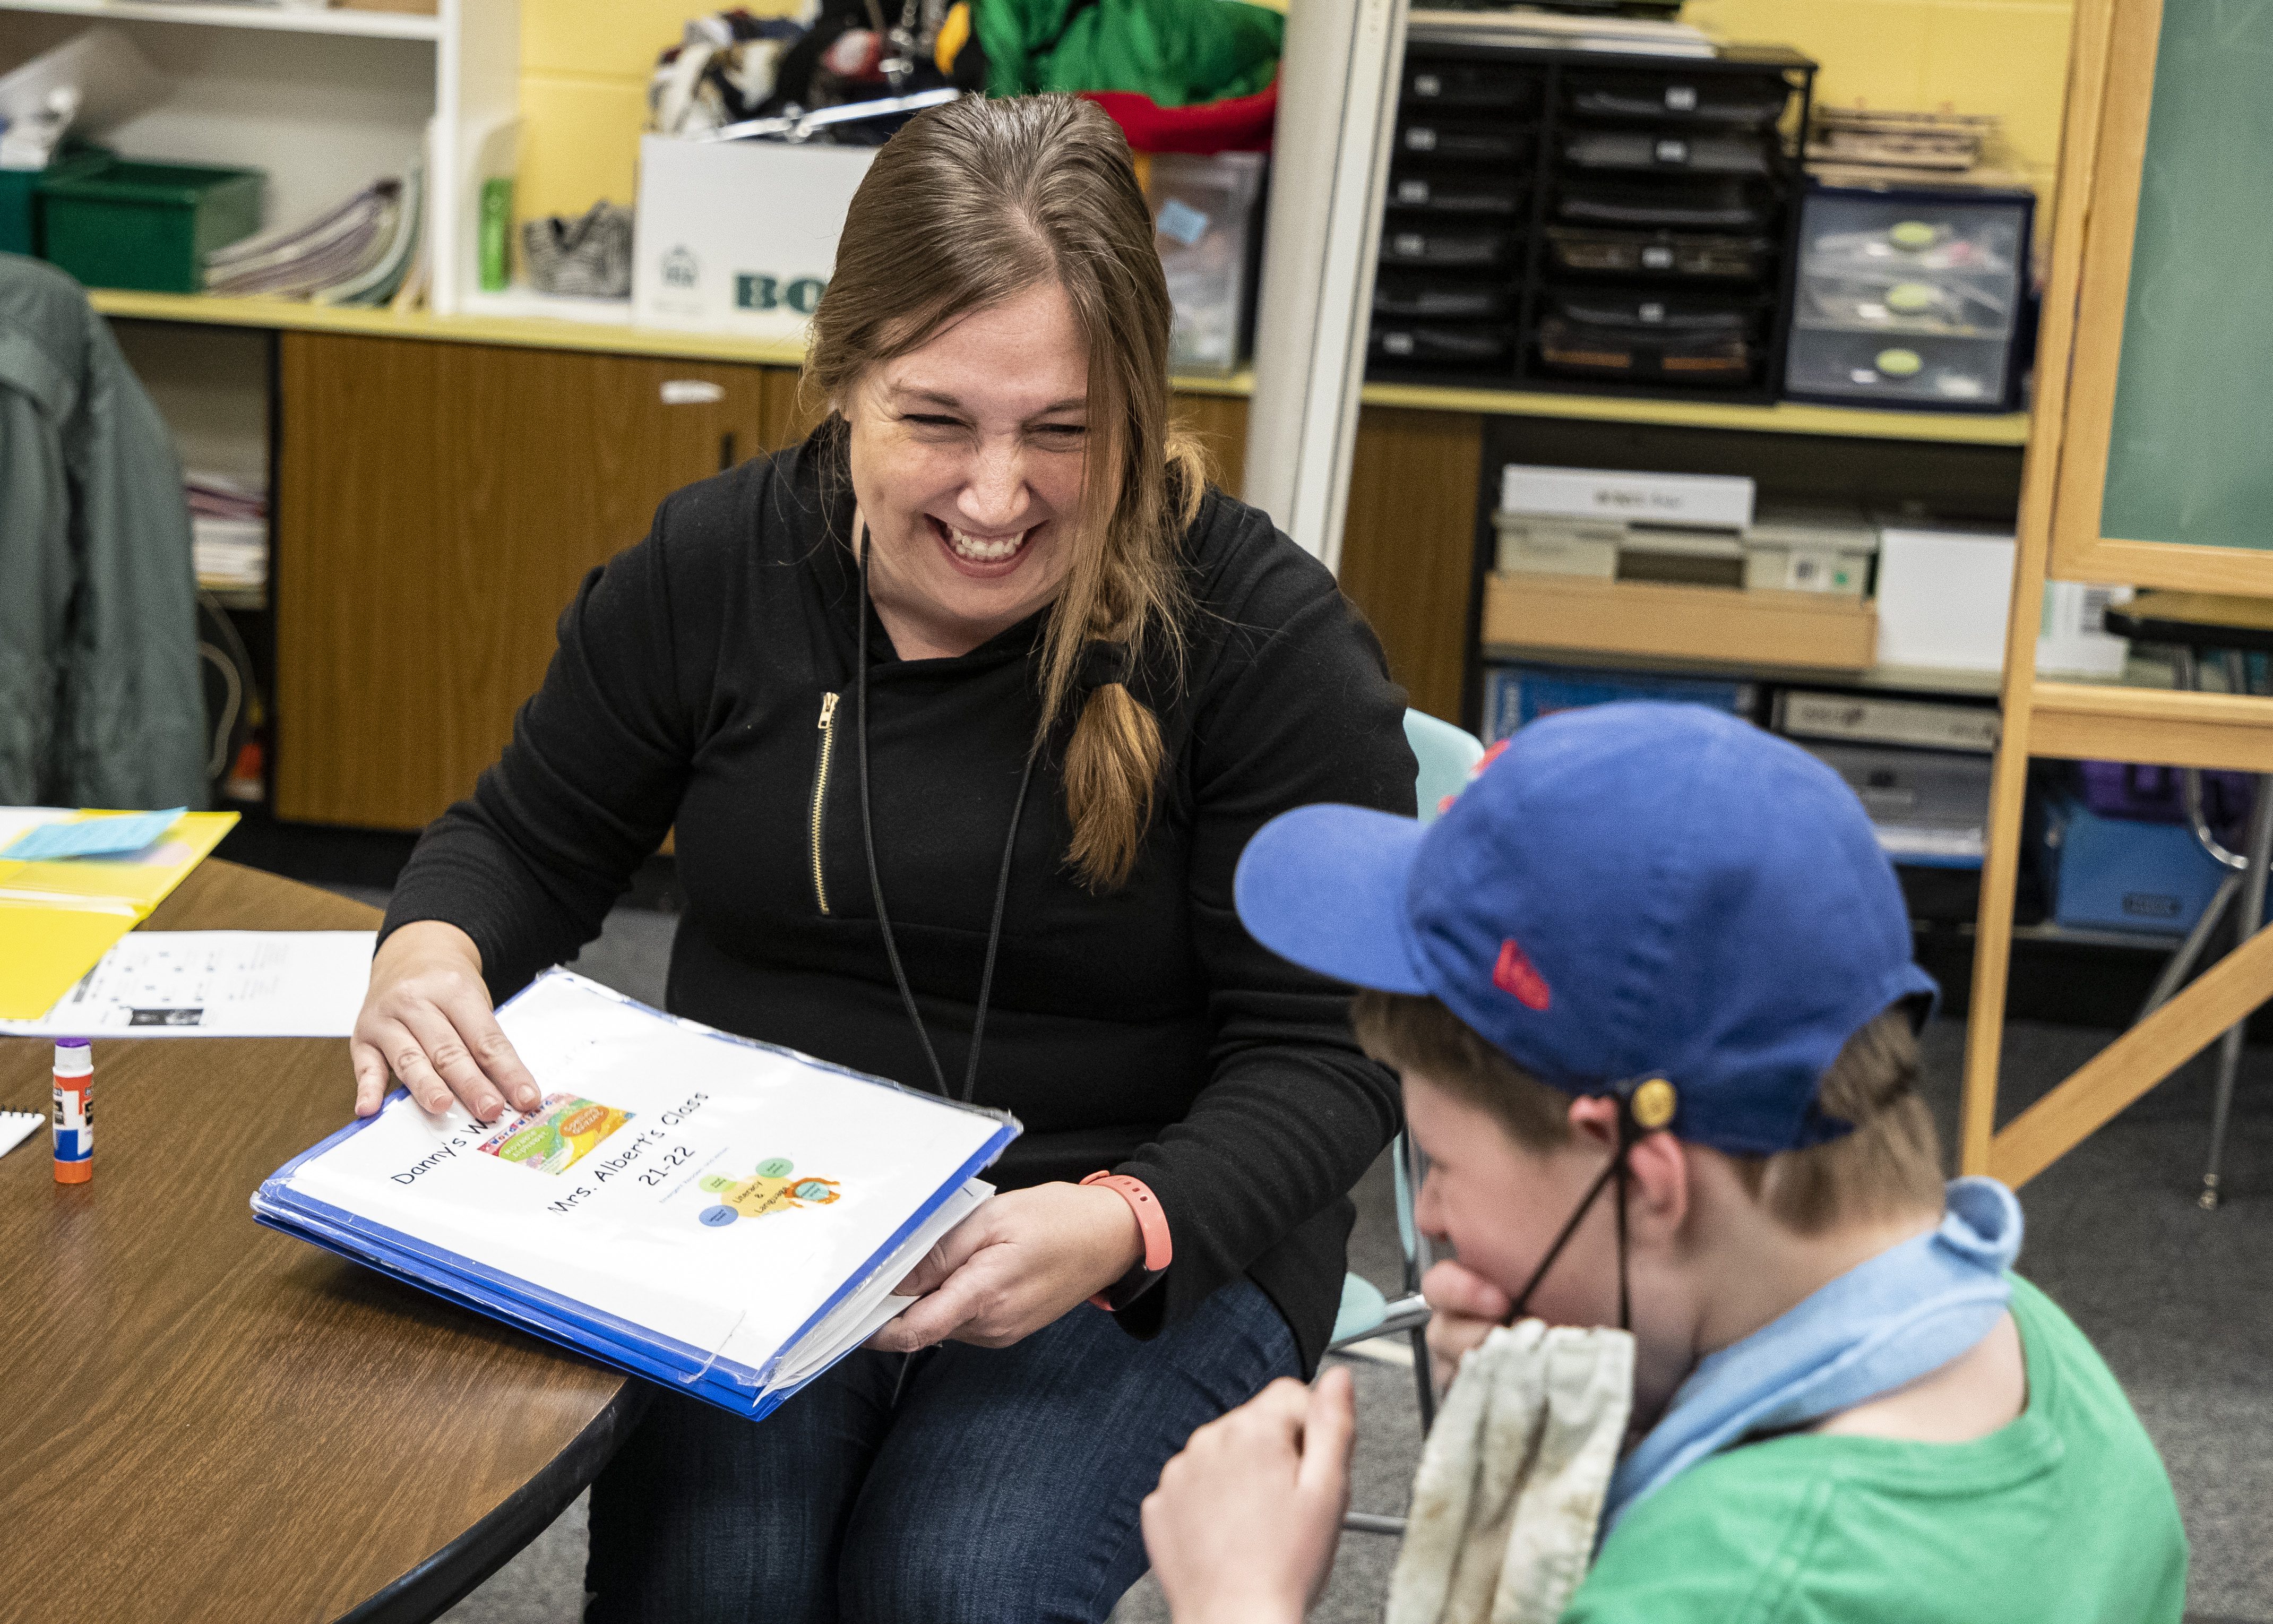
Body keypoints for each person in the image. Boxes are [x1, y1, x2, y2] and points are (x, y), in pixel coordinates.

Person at [347, 95, 1414, 1622]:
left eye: (1063, 432)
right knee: (719, 1580)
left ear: (1137, 401)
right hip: (765, 1211)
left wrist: (1122, 1220)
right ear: (838, 382)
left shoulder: (1257, 636)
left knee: (947, 1582)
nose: (995, 499)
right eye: (936, 422)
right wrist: (430, 950)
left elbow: (1333, 1052)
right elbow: (520, 837)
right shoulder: (718, 565)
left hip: (1130, 1215)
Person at [1141, 702, 2188, 1624]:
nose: (1437, 1224)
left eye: (1444, 1173)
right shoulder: (2031, 1346)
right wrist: (1609, 1424)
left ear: (1643, 1186)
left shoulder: (1726, 1587)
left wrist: (1237, 1602)